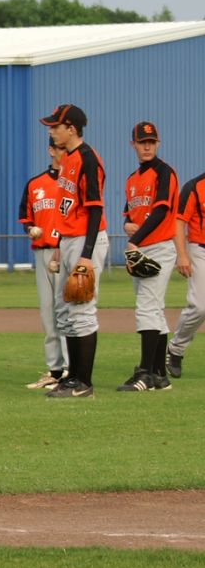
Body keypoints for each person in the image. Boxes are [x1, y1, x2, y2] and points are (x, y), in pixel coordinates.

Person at [40, 104, 108, 398]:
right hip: (69, 239)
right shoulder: (68, 158)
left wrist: (86, 256)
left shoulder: (88, 160)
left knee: (82, 311)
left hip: (85, 240)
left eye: (56, 126)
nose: (52, 131)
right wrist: (58, 246)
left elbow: (95, 209)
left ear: (72, 128)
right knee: (66, 311)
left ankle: (84, 383)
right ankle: (72, 378)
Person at [117, 122, 178, 391]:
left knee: (146, 308)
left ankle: (145, 374)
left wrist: (134, 240)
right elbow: (130, 215)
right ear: (133, 144)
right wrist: (128, 226)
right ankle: (159, 375)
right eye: (142, 142)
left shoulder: (164, 172)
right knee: (155, 309)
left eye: (151, 142)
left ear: (158, 143)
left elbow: (161, 211)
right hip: (141, 249)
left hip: (159, 246)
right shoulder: (132, 179)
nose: (147, 146)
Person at [19, 138, 68, 390]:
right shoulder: (35, 184)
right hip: (42, 253)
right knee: (48, 313)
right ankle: (55, 369)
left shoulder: (72, 183)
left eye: (66, 148)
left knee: (66, 311)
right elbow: (25, 217)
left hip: (66, 252)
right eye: (59, 148)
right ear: (51, 150)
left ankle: (71, 369)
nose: (63, 153)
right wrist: (30, 229)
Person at [167, 168, 205, 379]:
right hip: (200, 249)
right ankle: (176, 348)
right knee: (200, 306)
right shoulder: (195, 186)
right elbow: (179, 221)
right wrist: (182, 255)